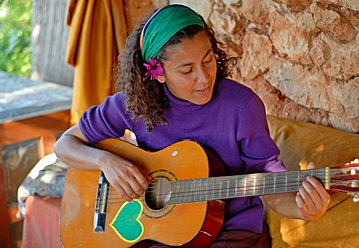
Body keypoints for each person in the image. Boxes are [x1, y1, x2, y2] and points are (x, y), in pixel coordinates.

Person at [54, 4, 330, 247]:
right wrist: (106, 162)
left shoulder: (241, 106)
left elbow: (268, 182)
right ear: (157, 74)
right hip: (162, 234)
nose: (204, 77)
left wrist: (303, 209)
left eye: (208, 59)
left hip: (232, 235)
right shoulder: (133, 105)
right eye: (186, 70)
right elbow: (64, 145)